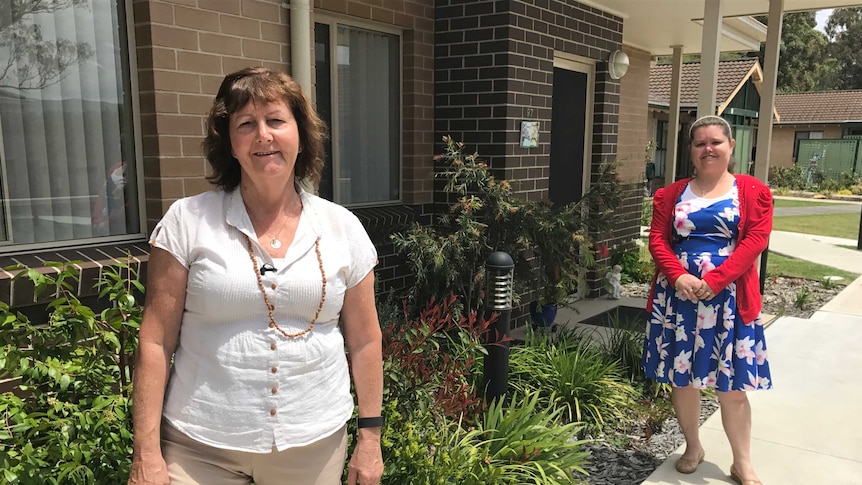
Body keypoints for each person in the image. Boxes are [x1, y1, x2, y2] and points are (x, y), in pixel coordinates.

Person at [128, 67, 384, 485]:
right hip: (199, 446)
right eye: (246, 124)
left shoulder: (343, 228)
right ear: (229, 143)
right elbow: (155, 340)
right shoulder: (187, 221)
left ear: (300, 135)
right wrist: (147, 453)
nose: (263, 135)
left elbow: (365, 340)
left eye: (276, 121)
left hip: (313, 445)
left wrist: (369, 439)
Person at [641, 115, 772, 485]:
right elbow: (658, 241)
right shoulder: (670, 195)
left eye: (716, 142)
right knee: (683, 380)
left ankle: (741, 462)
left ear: (731, 146)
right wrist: (679, 275)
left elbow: (754, 242)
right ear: (691, 152)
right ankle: (693, 446)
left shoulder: (753, 191)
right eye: (700, 144)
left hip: (729, 300)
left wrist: (713, 281)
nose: (708, 149)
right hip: (679, 298)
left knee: (732, 387)